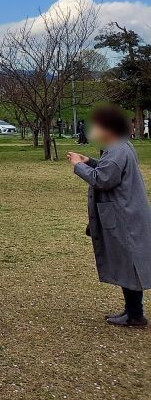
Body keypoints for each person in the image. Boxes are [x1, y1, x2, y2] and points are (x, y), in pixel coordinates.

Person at [68, 106, 151, 328]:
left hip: (124, 216)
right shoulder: (120, 147)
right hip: (126, 213)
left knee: (129, 265)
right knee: (127, 264)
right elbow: (107, 169)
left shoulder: (116, 151)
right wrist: (90, 161)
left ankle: (135, 315)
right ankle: (132, 311)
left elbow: (103, 179)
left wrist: (78, 166)